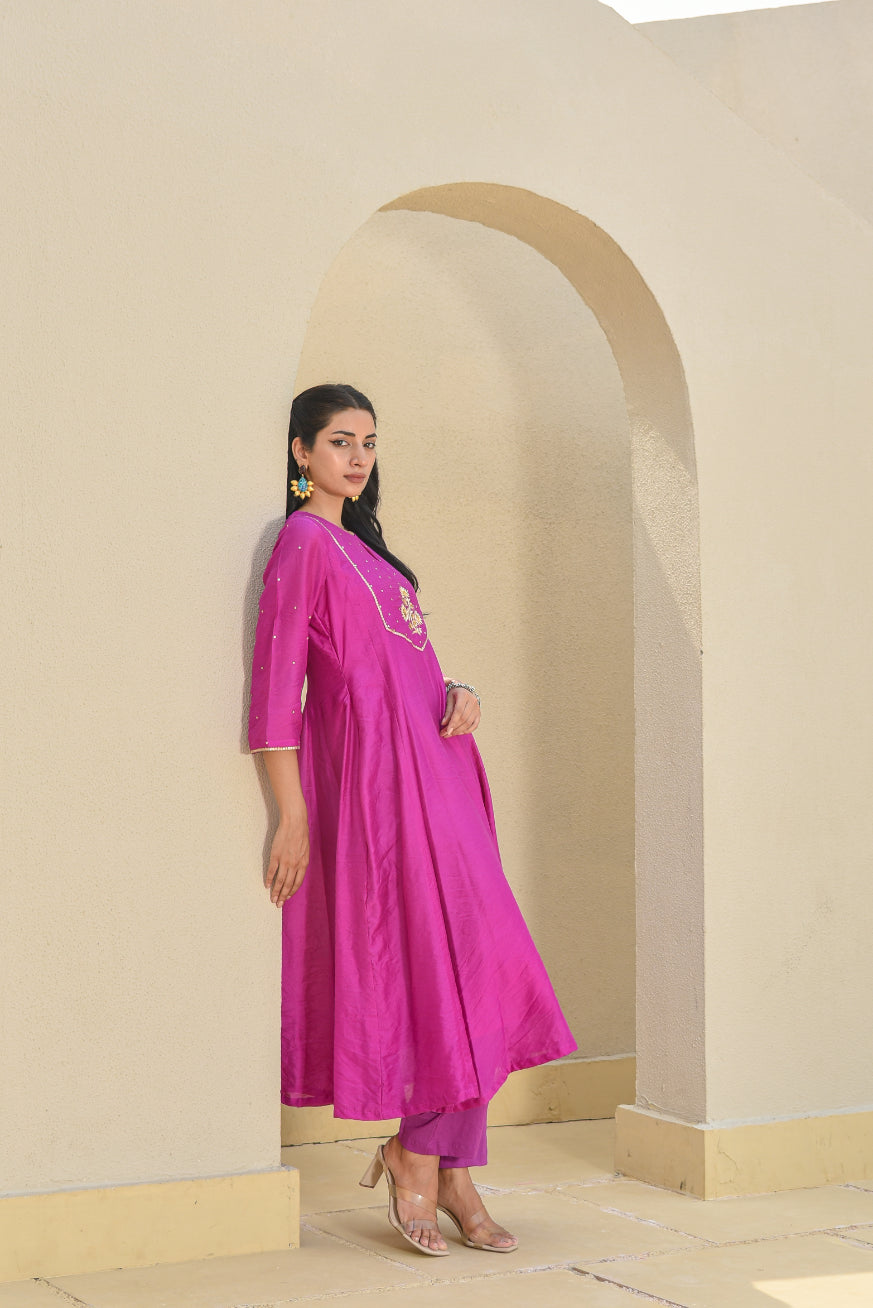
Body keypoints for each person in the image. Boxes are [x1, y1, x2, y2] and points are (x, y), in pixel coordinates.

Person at [249, 383, 577, 1256]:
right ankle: (441, 1171)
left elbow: (403, 668)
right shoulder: (302, 543)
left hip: (438, 777)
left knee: (478, 963)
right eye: (338, 442)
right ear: (299, 453)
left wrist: (458, 690)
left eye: (368, 442)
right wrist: (292, 814)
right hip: (371, 793)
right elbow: (279, 693)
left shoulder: (369, 550)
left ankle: (425, 1153)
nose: (357, 457)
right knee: (431, 975)